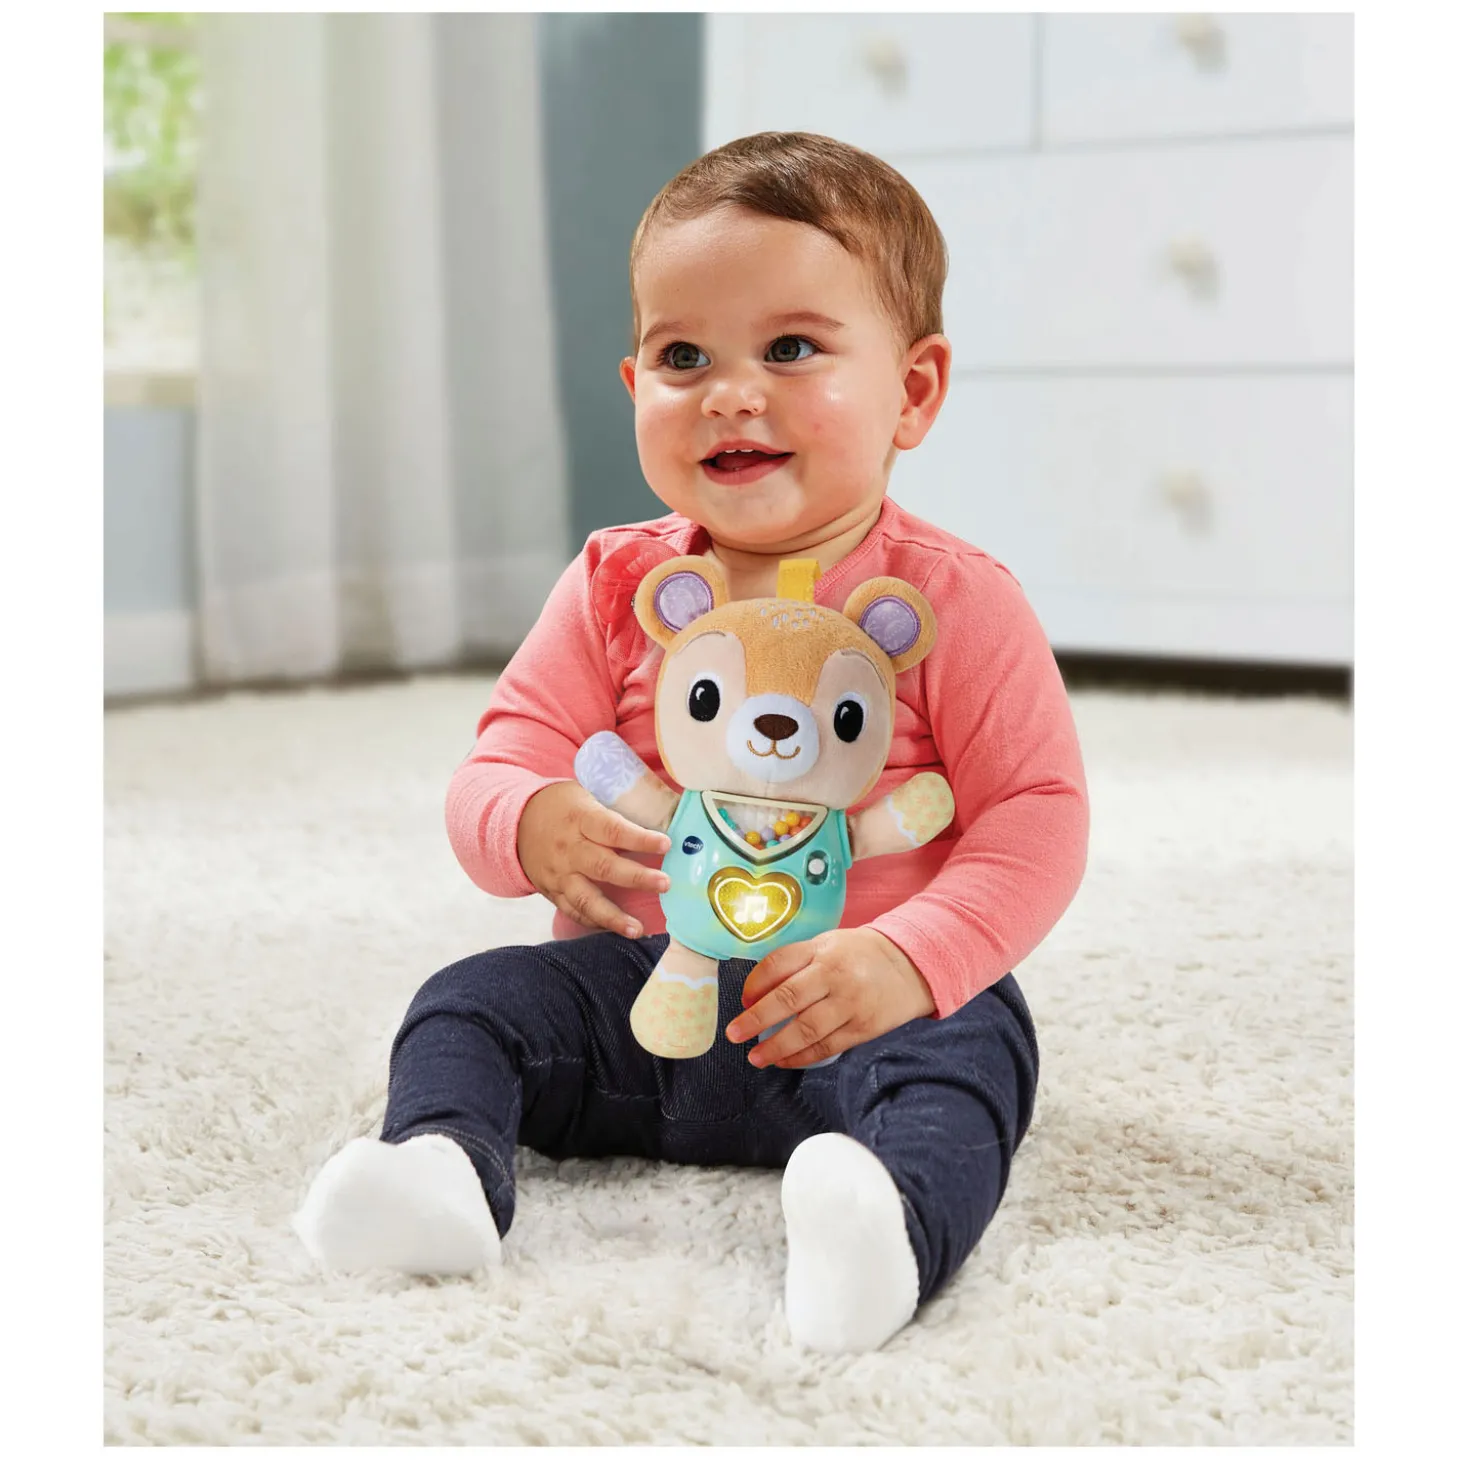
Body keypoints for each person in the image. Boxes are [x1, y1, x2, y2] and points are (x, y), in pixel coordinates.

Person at [295, 131, 1089, 1355]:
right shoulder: (616, 584)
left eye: (790, 348)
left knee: (966, 1058)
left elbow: (1034, 815)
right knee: (468, 1002)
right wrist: (526, 820)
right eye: (682, 357)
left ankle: (882, 1227)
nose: (728, 392)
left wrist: (909, 957)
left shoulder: (952, 600)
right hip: (637, 996)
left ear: (913, 390)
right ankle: (442, 1171)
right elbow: (499, 757)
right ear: (634, 385)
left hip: (856, 1001)